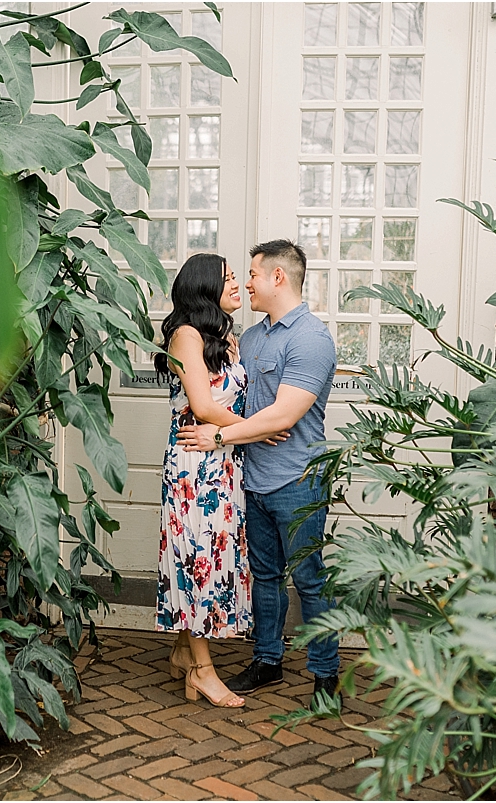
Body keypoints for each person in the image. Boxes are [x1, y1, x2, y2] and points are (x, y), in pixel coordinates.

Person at [176, 239, 340, 706]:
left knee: (308, 577)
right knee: (264, 577)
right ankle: (267, 661)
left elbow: (284, 416)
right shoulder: (248, 339)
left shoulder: (311, 338)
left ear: (278, 278)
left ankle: (325, 675)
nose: (246, 283)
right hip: (249, 479)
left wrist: (219, 437)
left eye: (252, 274)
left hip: (297, 480)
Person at [154, 253, 289, 708]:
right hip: (196, 467)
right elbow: (204, 406)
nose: (238, 285)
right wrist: (259, 430)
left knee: (213, 556)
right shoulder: (186, 335)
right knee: (197, 560)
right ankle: (204, 672)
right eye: (230, 278)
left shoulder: (222, 338)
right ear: (206, 288)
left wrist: (236, 436)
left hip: (223, 464)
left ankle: (181, 652)